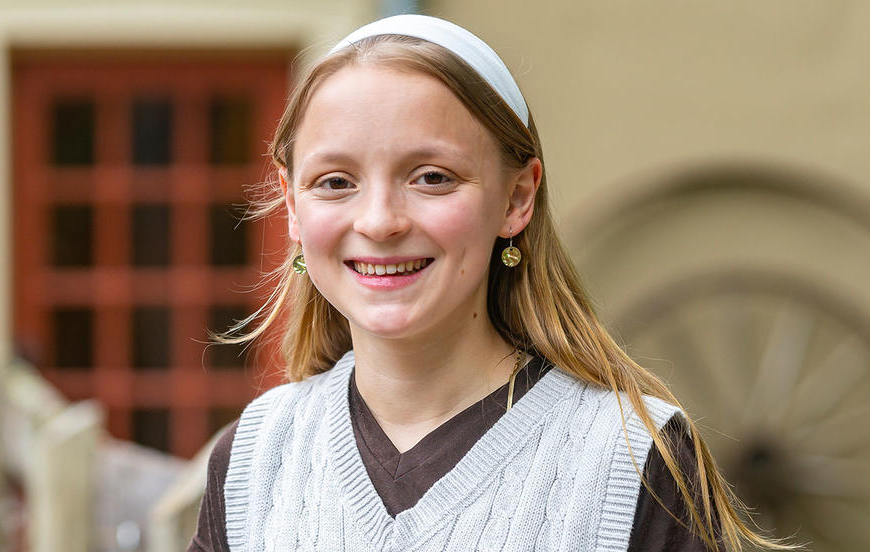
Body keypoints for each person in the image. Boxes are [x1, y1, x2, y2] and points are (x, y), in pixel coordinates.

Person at [188, 14, 787, 552]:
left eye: (431, 177)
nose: (378, 222)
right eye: (336, 182)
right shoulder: (256, 461)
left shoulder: (629, 461)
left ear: (517, 198)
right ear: (292, 206)